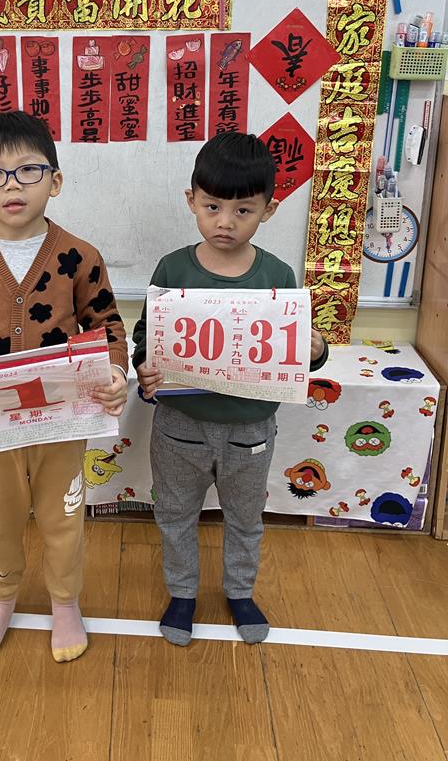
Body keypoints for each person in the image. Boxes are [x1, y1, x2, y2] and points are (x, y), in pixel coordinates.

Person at [0, 111, 128, 663]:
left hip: (63, 418)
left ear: (54, 181)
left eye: (28, 171)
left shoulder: (79, 256)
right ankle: (1, 597)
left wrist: (114, 374)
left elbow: (107, 325)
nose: (12, 185)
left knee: (64, 517)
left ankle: (65, 602)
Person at [133, 132, 328, 646]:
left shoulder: (278, 274)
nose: (225, 222)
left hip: (251, 429)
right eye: (212, 206)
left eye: (243, 210)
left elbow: (296, 347)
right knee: (175, 515)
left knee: (245, 518)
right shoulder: (173, 268)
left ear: (268, 210)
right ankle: (182, 593)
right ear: (191, 200)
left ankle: (240, 592)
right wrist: (145, 366)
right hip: (179, 427)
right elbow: (146, 333)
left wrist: (315, 349)